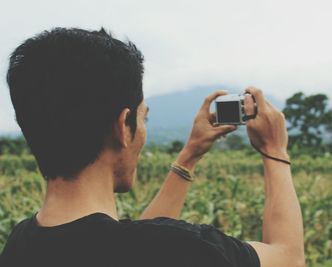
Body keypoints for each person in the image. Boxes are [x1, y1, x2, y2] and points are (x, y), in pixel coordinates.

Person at [0, 27, 305, 267]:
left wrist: (190, 155)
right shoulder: (183, 249)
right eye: (143, 117)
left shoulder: (19, 244)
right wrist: (275, 151)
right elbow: (289, 260)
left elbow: (129, 248)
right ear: (123, 126)